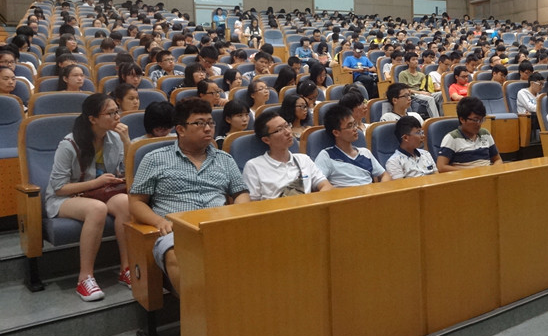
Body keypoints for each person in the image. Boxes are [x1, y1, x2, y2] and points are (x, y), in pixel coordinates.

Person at [130, 98, 250, 297]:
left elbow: (241, 193)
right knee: (177, 255)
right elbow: (136, 202)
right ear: (181, 129)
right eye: (199, 123)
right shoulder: (154, 159)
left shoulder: (224, 159)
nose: (208, 128)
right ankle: (198, 311)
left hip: (218, 226)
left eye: (210, 122)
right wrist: (159, 222)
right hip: (178, 230)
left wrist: (237, 213)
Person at [45, 94, 131, 301]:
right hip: (66, 198)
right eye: (110, 113)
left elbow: (126, 172)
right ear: (93, 119)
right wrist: (96, 183)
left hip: (101, 192)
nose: (117, 117)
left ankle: (126, 268)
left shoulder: (115, 139)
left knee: (126, 203)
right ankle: (85, 278)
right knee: (97, 209)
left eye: (117, 111)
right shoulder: (69, 144)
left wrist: (127, 142)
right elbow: (59, 187)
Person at [243, 112, 333, 199]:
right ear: (266, 140)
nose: (288, 132)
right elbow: (252, 203)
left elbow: (326, 186)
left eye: (287, 126)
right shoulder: (254, 166)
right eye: (279, 130)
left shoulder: (304, 160)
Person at [314, 104, 389, 187]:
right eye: (350, 126)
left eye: (354, 124)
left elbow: (385, 175)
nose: (355, 128)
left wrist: (380, 189)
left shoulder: (365, 153)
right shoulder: (326, 156)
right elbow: (318, 184)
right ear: (336, 132)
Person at [436, 96, 502, 172]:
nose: (479, 124)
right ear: (462, 119)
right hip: (465, 177)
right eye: (475, 120)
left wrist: (493, 170)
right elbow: (441, 167)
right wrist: (470, 172)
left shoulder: (485, 134)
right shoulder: (452, 138)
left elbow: (498, 159)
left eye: (481, 120)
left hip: (487, 175)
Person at [398, 51, 440, 118]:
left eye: (417, 59)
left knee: (441, 94)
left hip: (423, 93)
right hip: (412, 95)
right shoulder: (403, 74)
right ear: (407, 62)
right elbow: (404, 90)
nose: (416, 61)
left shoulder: (421, 74)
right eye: (413, 60)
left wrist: (426, 92)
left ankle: (443, 116)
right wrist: (421, 92)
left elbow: (425, 87)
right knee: (430, 99)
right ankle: (436, 119)